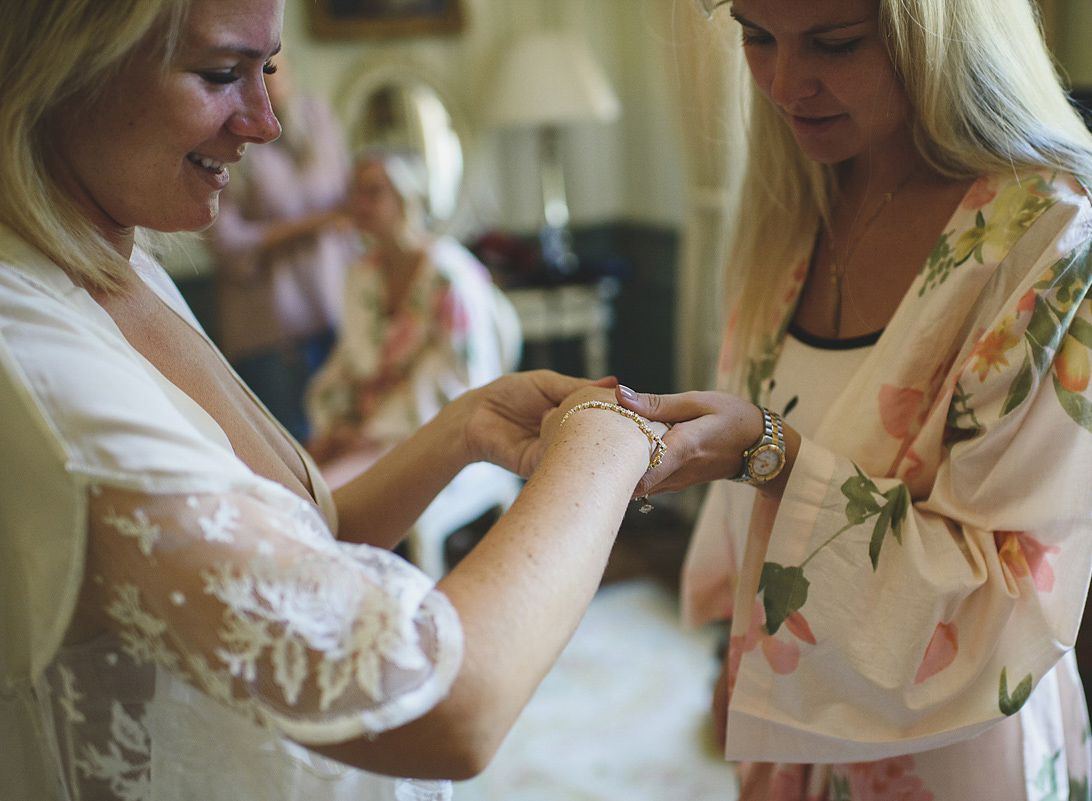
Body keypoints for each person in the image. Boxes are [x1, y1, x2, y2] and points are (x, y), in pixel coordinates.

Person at [0, 1, 665, 800]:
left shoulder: (125, 264)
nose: (265, 123)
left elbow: (309, 544)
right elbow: (447, 709)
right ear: (62, 69)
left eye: (267, 71)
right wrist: (608, 445)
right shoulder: (33, 353)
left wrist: (462, 426)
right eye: (220, 74)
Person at [615, 0, 1092, 799]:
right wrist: (737, 655)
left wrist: (765, 452)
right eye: (755, 36)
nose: (783, 84)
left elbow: (1001, 596)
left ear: (944, 30)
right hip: (790, 724)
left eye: (834, 44)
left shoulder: (1053, 238)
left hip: (951, 751)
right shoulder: (792, 196)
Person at [305, 148, 522, 490]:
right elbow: (350, 361)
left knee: (321, 498)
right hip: (369, 425)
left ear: (408, 196)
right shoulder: (362, 274)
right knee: (290, 479)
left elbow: (458, 378)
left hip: (432, 432)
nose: (358, 203)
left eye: (373, 191)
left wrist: (372, 433)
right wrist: (336, 427)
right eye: (354, 192)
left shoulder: (448, 275)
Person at [205, 50, 357, 441]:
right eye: (245, 71)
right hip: (270, 333)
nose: (265, 79)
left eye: (270, 66)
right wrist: (317, 223)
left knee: (345, 444)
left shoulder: (318, 117)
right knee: (291, 455)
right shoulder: (226, 132)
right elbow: (227, 242)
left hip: (335, 313)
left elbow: (348, 205)